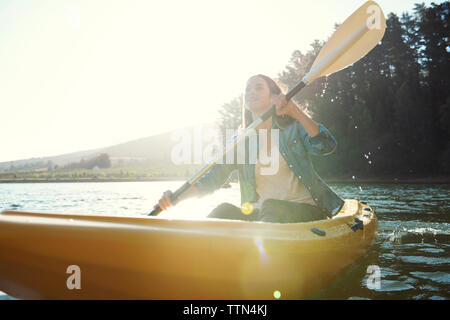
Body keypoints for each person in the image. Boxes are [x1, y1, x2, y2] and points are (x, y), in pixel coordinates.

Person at [156, 74, 344, 223]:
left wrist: (295, 112)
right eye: (247, 89)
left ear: (274, 97)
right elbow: (211, 179)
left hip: (305, 210)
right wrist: (176, 198)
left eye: (258, 87)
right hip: (261, 214)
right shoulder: (241, 143)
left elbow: (326, 146)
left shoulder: (293, 129)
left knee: (272, 206)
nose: (251, 92)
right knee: (223, 210)